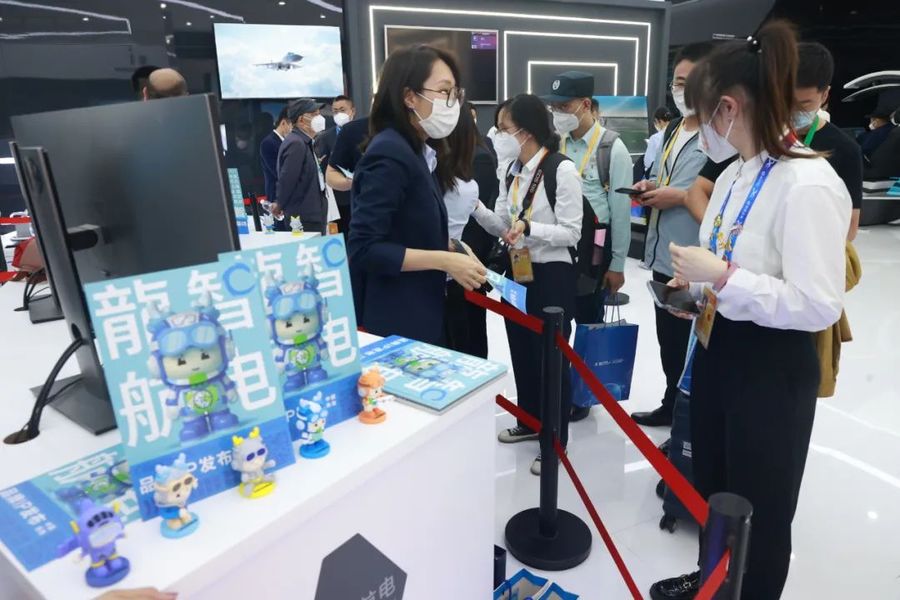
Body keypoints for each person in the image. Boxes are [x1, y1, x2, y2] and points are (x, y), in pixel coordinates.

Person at [650, 21, 850, 600]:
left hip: (771, 370)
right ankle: (712, 579)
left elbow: (818, 303)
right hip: (719, 349)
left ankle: (750, 590)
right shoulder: (736, 173)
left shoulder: (808, 183)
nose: (698, 127)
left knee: (760, 505)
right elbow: (727, 258)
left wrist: (725, 278)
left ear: (728, 108)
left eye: (702, 113)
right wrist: (699, 292)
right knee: (714, 485)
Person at [474, 93, 582, 475]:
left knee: (551, 359)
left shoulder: (560, 170)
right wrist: (474, 207)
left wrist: (531, 228)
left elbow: (572, 232)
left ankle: (555, 441)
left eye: (503, 129)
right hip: (518, 272)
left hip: (552, 276)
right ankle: (529, 420)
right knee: (521, 349)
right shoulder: (510, 170)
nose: (498, 136)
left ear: (526, 131)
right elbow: (504, 224)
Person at [348, 45, 486, 345]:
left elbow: (407, 229)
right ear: (409, 97)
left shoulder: (419, 152)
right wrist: (443, 261)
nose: (452, 103)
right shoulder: (390, 153)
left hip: (421, 310)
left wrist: (454, 248)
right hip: (397, 318)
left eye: (455, 94)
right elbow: (364, 248)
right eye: (444, 91)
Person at [628, 42, 716, 429]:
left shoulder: (720, 135)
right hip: (664, 253)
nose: (681, 90)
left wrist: (678, 196)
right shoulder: (674, 129)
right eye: (677, 82)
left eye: (689, 81)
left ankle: (688, 423)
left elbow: (720, 196)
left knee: (694, 344)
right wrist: (652, 187)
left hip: (697, 259)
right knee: (669, 338)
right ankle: (671, 403)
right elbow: (668, 176)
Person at [544, 72, 632, 330]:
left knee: (589, 322)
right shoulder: (555, 143)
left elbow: (620, 213)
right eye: (554, 107)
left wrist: (617, 266)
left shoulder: (612, 149)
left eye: (564, 106)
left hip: (593, 248)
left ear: (585, 105)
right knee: (556, 322)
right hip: (557, 245)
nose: (558, 113)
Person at [442, 102, 499, 358]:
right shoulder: (434, 164)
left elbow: (480, 210)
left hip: (464, 257)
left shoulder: (477, 161)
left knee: (466, 332)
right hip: (449, 259)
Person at [792, 42, 863, 240]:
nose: (793, 111)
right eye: (786, 101)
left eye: (804, 104)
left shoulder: (845, 149)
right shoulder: (762, 139)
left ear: (824, 95)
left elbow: (850, 226)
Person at [274, 98, 328, 234]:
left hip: (311, 215)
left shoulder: (305, 142)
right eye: (314, 114)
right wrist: (279, 204)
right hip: (303, 217)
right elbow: (287, 179)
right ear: (301, 120)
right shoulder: (296, 143)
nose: (320, 118)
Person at [315, 96, 356, 232]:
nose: (339, 114)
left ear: (352, 111)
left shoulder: (364, 133)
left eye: (342, 110)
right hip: (337, 200)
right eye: (335, 111)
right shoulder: (325, 138)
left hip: (361, 195)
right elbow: (322, 167)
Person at [259, 107, 292, 208]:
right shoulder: (269, 143)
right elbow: (278, 172)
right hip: (277, 197)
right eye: (293, 126)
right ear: (283, 123)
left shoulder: (289, 142)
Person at [642, 106, 675, 177]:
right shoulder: (677, 133)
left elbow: (648, 163)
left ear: (658, 121)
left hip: (660, 176)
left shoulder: (655, 138)